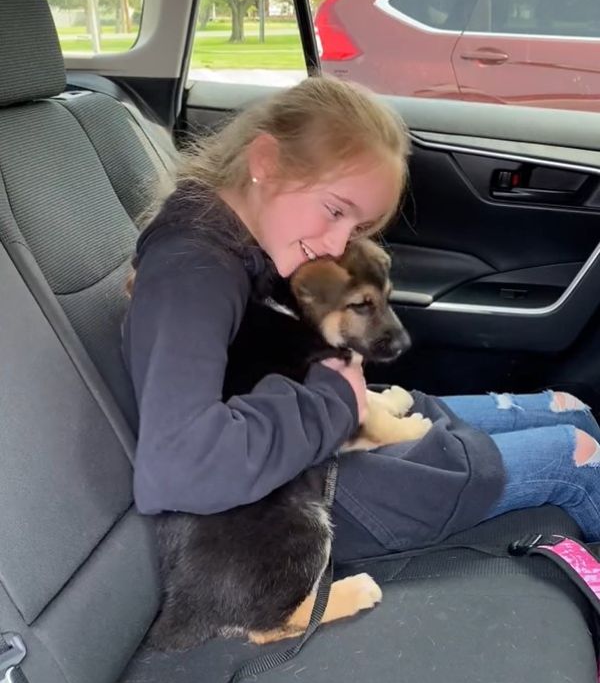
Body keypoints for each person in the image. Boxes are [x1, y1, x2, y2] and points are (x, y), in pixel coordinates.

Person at [122, 75, 600, 564]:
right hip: (290, 505)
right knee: (576, 454)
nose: (336, 244)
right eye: (334, 211)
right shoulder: (193, 274)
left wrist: (338, 395)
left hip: (310, 444)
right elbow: (181, 468)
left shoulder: (245, 246)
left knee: (570, 408)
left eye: (357, 226)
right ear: (265, 161)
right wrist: (333, 401)